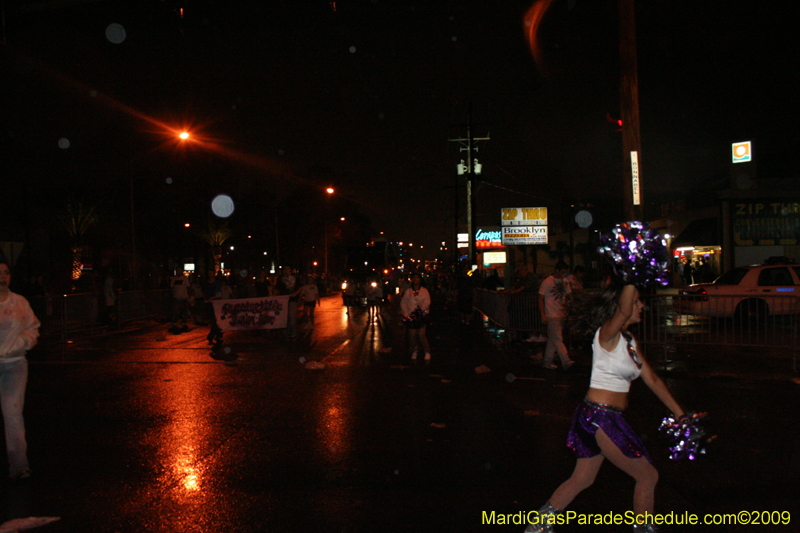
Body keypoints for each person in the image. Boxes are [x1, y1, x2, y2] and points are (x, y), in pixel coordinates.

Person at [523, 284, 685, 533]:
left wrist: (679, 413)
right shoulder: (607, 335)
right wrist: (630, 276)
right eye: (637, 301)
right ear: (624, 304)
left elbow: (652, 379)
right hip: (602, 418)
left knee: (583, 478)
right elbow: (621, 310)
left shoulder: (630, 341)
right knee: (647, 476)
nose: (641, 306)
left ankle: (537, 526)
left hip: (596, 417)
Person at [0, 260, 40, 481]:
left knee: (13, 413)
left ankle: (19, 464)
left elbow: (33, 329)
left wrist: (22, 343)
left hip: (14, 365)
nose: (3, 277)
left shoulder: (20, 303)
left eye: (6, 272)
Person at [539, 261, 574, 370]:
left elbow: (569, 295)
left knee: (553, 340)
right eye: (562, 272)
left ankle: (547, 361)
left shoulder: (564, 281)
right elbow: (540, 298)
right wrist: (543, 314)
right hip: (552, 314)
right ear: (557, 270)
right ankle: (566, 361)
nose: (563, 275)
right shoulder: (547, 282)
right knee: (558, 339)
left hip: (561, 313)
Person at [400, 273, 431, 362]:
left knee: (421, 335)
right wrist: (406, 314)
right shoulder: (408, 291)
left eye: (418, 278)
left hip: (421, 316)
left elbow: (427, 302)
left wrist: (420, 311)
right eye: (414, 278)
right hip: (411, 316)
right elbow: (403, 303)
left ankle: (427, 351)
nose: (416, 280)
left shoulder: (424, 291)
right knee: (412, 335)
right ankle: (414, 350)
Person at [275, 267, 298, 338]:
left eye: (288, 269)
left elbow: (300, 287)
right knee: (285, 317)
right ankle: (286, 333)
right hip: (283, 300)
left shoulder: (295, 277)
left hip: (292, 299)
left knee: (292, 317)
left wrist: (295, 293)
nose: (286, 270)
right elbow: (277, 288)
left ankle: (293, 332)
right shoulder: (280, 278)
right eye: (284, 269)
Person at [202, 271, 223, 344]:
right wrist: (205, 299)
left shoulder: (217, 283)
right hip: (209, 304)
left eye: (211, 273)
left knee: (216, 320)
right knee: (213, 320)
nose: (210, 275)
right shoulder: (205, 283)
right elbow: (204, 292)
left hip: (216, 303)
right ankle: (217, 334)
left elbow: (219, 293)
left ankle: (213, 335)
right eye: (209, 273)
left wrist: (212, 298)